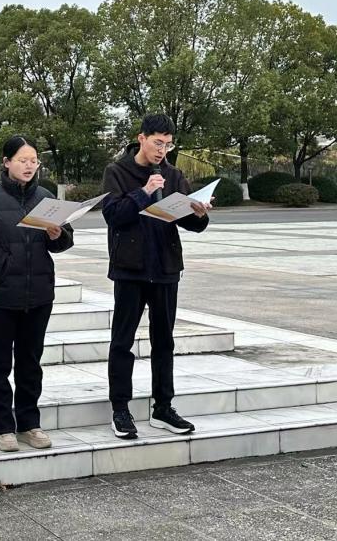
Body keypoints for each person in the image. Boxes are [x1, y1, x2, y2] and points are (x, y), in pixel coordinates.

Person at [0, 135, 74, 452]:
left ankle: (28, 423)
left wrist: (57, 234)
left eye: (33, 160)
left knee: (30, 362)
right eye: (22, 160)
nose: (29, 166)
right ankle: (2, 426)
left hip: (38, 293)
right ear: (6, 162)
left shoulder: (46, 199)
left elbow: (63, 242)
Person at [100, 114, 211, 440]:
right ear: (142, 139)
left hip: (165, 268)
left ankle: (163, 407)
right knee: (122, 341)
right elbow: (113, 216)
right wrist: (144, 191)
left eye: (168, 144)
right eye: (157, 142)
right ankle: (121, 409)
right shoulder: (117, 172)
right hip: (130, 269)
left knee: (164, 341)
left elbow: (188, 222)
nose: (162, 150)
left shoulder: (173, 175)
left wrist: (199, 214)